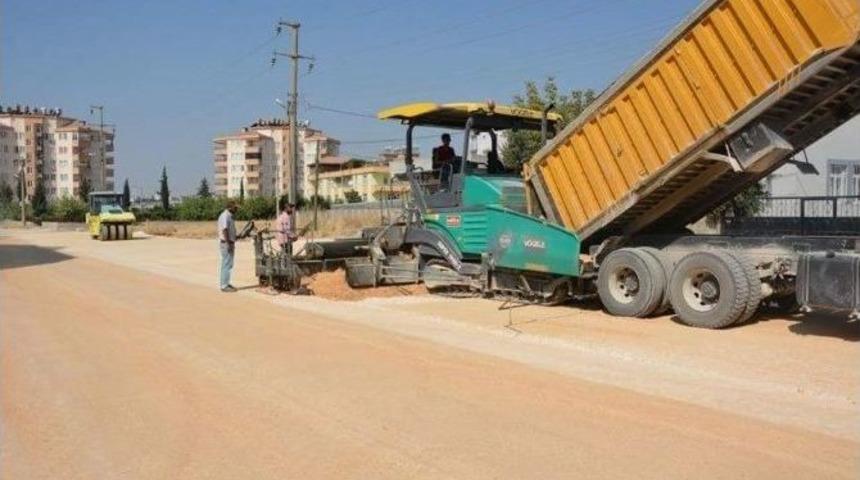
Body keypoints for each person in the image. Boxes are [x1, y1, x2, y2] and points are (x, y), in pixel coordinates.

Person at [217, 200, 239, 292]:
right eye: (235, 208)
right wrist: (228, 243)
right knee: (226, 264)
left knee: (229, 264)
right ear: (230, 208)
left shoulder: (229, 216)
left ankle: (226, 282)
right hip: (226, 243)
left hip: (229, 242)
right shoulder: (225, 216)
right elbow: (225, 229)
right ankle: (224, 285)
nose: (236, 209)